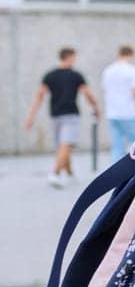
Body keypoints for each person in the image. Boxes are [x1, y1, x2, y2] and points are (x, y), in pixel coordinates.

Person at [23, 47, 100, 188]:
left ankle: (70, 173)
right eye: (74, 58)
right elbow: (87, 94)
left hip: (55, 115)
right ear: (69, 57)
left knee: (63, 145)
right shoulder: (76, 75)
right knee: (66, 144)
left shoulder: (50, 75)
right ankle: (55, 173)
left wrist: (30, 117)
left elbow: (39, 97)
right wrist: (96, 108)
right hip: (71, 114)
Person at [101, 44, 135, 161]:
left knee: (117, 144)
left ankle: (115, 168)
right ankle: (134, 169)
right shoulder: (132, 70)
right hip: (128, 111)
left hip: (112, 112)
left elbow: (104, 90)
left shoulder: (108, 70)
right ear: (130, 55)